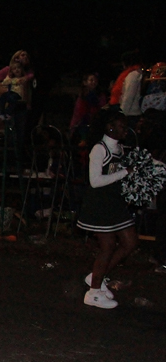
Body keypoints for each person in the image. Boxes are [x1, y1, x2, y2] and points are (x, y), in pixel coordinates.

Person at [76, 110, 137, 309]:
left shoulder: (120, 148)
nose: (125, 130)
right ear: (110, 127)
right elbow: (95, 181)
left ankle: (97, 277)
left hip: (115, 203)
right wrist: (124, 173)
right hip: (99, 205)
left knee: (129, 243)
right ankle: (93, 292)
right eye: (121, 126)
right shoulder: (99, 150)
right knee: (108, 245)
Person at [110, 51, 143, 129]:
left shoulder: (133, 75)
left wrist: (122, 114)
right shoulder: (132, 74)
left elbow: (128, 97)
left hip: (130, 114)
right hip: (129, 113)